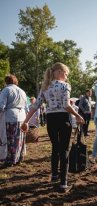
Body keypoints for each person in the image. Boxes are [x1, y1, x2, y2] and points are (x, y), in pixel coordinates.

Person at [21, 62, 84, 192]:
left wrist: (26, 121)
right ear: (60, 72)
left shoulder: (45, 87)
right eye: (66, 74)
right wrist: (78, 115)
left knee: (55, 147)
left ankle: (54, 175)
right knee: (64, 150)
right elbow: (66, 105)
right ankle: (63, 183)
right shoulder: (65, 85)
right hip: (63, 119)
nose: (67, 76)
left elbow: (35, 106)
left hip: (51, 120)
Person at [0, 75, 28, 167]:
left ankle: (10, 160)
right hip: (22, 116)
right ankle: (19, 158)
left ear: (6, 82)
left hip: (10, 116)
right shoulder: (23, 91)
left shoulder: (6, 90)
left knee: (10, 139)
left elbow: (1, 106)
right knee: (19, 139)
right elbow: (26, 107)